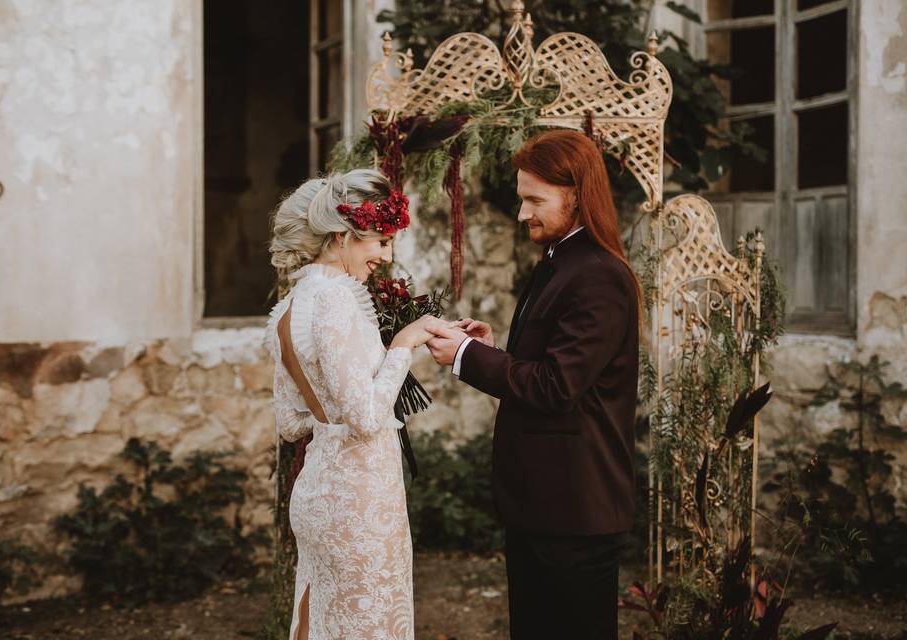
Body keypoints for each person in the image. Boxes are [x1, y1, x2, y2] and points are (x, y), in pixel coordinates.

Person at [426, 130, 643, 639]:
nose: (522, 213)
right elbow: (557, 365)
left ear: (576, 194)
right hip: (545, 505)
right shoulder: (560, 263)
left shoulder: (598, 275)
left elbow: (555, 386)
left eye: (533, 200)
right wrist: (495, 349)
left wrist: (465, 357)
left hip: (575, 510)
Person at [265, 168, 448, 640]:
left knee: (318, 623)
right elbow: (367, 418)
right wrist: (402, 346)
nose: (386, 257)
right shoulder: (334, 300)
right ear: (344, 236)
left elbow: (289, 422)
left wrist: (332, 410)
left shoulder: (288, 307)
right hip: (360, 498)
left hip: (317, 490)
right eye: (381, 242)